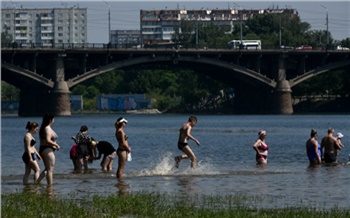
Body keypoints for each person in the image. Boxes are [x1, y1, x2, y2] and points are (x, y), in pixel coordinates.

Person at [37, 113, 60, 185]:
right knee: (50, 170)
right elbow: (48, 140)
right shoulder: (47, 128)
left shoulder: (44, 128)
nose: (53, 121)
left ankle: (37, 183)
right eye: (53, 119)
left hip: (44, 149)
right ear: (50, 120)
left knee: (47, 169)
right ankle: (50, 186)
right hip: (47, 150)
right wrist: (56, 145)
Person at [115, 117, 131, 182]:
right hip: (122, 150)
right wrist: (128, 148)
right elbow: (123, 143)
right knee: (121, 168)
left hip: (120, 150)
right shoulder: (120, 131)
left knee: (120, 167)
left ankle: (118, 180)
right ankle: (120, 181)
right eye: (124, 122)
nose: (125, 124)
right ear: (122, 123)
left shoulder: (118, 130)